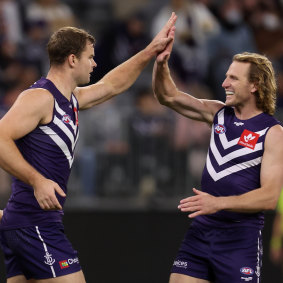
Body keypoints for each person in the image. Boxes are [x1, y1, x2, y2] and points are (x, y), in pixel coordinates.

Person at [0, 12, 177, 283]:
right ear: (73, 59)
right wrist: (37, 180)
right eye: (90, 57)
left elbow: (112, 85)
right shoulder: (39, 98)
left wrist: (150, 51)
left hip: (28, 222)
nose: (94, 64)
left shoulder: (69, 99)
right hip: (35, 223)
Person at [152, 26, 283, 283]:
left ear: (255, 85)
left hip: (239, 240)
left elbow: (269, 198)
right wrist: (161, 62)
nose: (224, 83)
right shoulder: (218, 113)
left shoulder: (273, 132)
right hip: (201, 233)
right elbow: (167, 96)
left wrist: (217, 203)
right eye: (226, 76)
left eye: (233, 78)